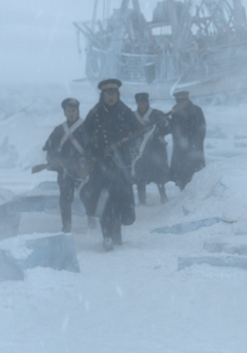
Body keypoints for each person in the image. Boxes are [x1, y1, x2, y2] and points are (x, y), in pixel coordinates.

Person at [78, 78, 139, 250]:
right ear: (103, 95)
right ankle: (107, 236)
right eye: (108, 93)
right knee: (104, 201)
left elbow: (138, 132)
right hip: (101, 166)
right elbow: (85, 137)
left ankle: (117, 233)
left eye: (113, 93)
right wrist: (94, 151)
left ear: (117, 94)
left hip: (121, 165)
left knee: (120, 201)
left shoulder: (125, 111)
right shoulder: (95, 113)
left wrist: (128, 141)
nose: (111, 97)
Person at [36, 98, 87, 233]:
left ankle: (92, 222)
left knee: (88, 196)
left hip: (83, 170)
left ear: (78, 111)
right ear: (64, 113)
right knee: (65, 199)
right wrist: (55, 160)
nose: (71, 113)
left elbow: (94, 148)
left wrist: (86, 158)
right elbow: (50, 150)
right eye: (68, 111)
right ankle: (66, 226)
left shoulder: (87, 127)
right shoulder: (59, 130)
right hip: (65, 170)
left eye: (74, 110)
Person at [130, 92, 172, 205]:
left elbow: (168, 128)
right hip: (140, 151)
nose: (142, 105)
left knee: (159, 175)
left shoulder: (157, 114)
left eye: (144, 102)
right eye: (140, 103)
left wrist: (161, 127)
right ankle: (142, 201)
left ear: (147, 102)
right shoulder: (132, 116)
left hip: (156, 150)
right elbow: (128, 132)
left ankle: (163, 197)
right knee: (140, 176)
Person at [166, 89, 207, 190]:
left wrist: (194, 143)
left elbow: (202, 128)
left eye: (183, 101)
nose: (181, 103)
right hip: (180, 148)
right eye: (179, 101)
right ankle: (183, 191)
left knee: (194, 173)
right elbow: (173, 128)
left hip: (194, 148)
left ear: (187, 100)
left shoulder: (196, 110)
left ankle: (194, 193)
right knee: (181, 174)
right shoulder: (175, 111)